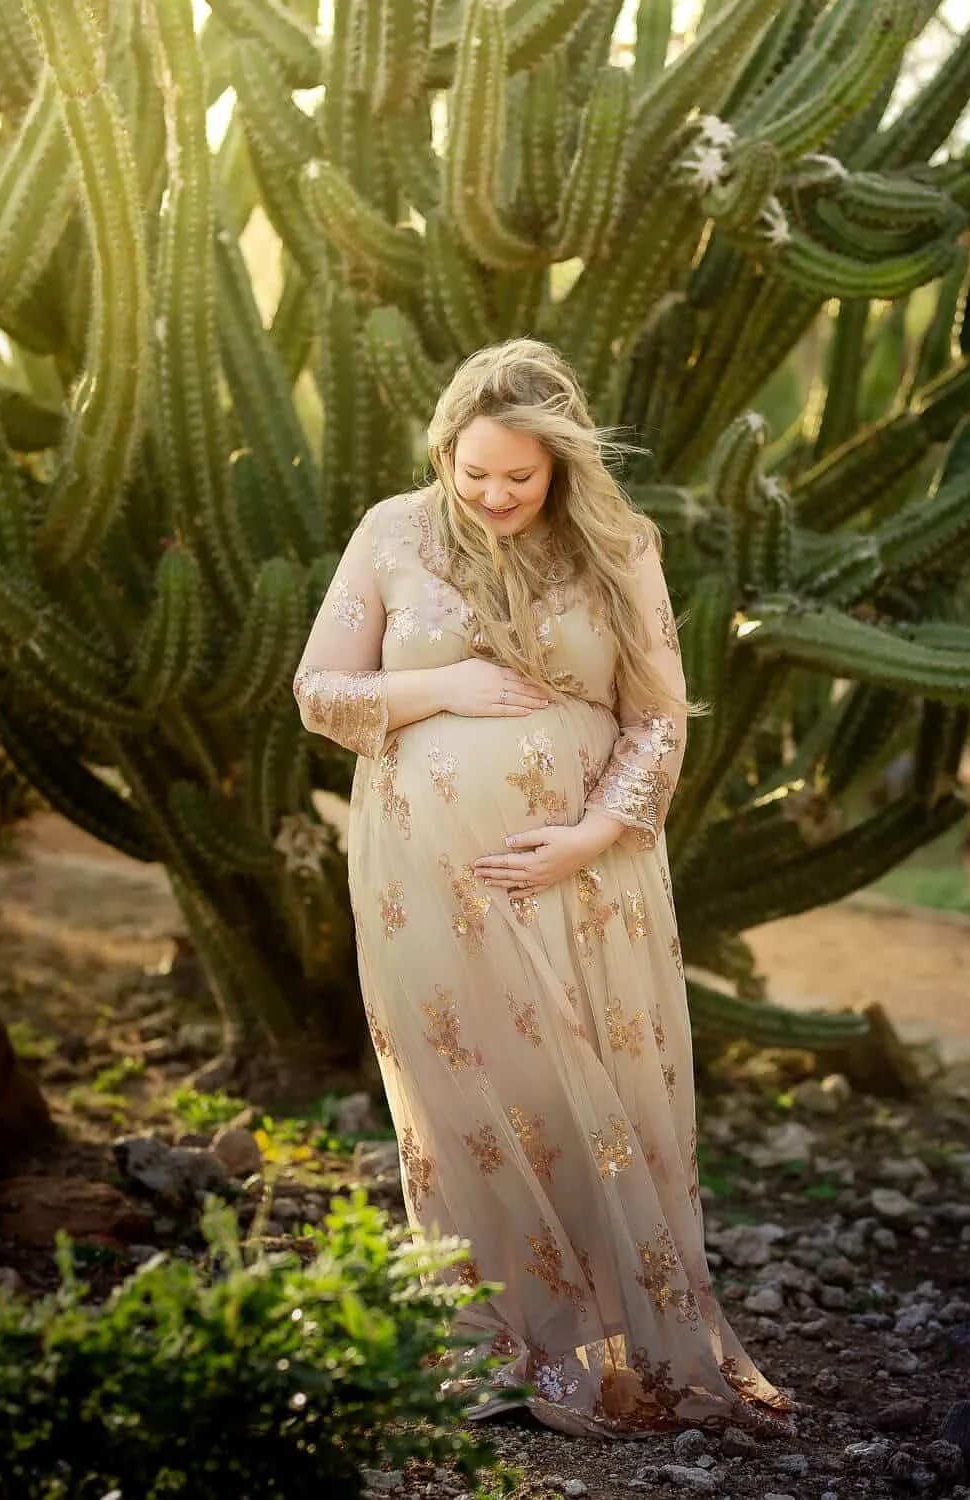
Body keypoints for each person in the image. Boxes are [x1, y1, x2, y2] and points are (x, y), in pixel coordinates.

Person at [293, 338, 796, 1439]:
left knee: (585, 1100)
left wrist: (590, 834)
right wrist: (438, 688)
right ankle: (497, 1345)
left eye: (518, 477)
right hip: (421, 878)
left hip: (586, 877)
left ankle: (612, 1342)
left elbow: (660, 715)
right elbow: (321, 694)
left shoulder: (619, 545)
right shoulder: (392, 532)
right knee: (464, 1097)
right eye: (473, 473)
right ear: (446, 451)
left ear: (561, 466)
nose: (493, 495)